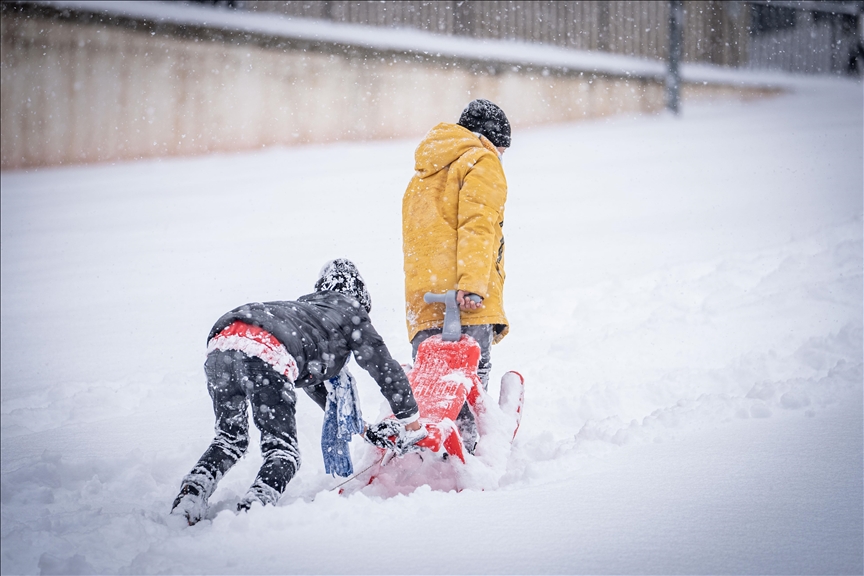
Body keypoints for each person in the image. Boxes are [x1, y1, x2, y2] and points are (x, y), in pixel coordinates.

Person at [171, 259, 424, 525]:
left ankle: (192, 495)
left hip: (223, 342)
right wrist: (412, 423)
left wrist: (365, 430)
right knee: (283, 453)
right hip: (266, 349)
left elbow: (321, 392)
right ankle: (254, 508)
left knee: (229, 440)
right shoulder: (350, 312)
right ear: (360, 296)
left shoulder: (305, 316)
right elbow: (384, 368)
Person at [402, 99, 511, 450]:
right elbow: (478, 226)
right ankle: (474, 448)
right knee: (470, 378)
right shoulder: (482, 160)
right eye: (503, 150)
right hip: (465, 295)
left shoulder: (424, 171)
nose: (502, 157)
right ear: (492, 140)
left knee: (435, 385)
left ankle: (434, 446)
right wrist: (473, 285)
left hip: (423, 299)